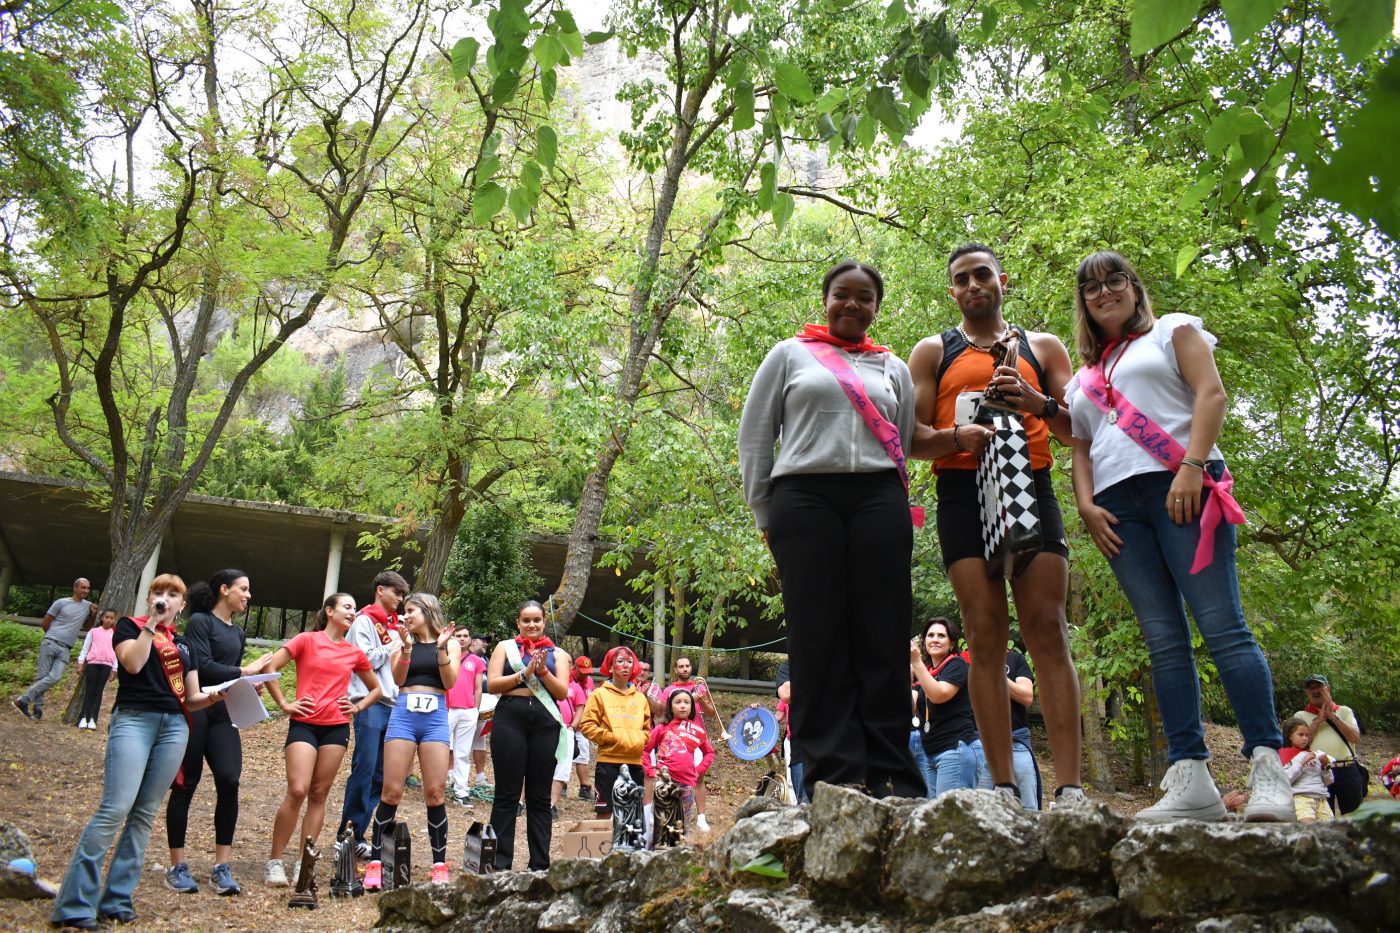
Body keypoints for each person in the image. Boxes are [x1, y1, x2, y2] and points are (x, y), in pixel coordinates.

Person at [1066, 249, 1292, 821]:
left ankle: (1269, 768)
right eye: (1091, 287)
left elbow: (1210, 394)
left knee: (1223, 627)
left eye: (1115, 280)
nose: (1104, 292)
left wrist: (1192, 466)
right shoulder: (1084, 376)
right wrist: (1086, 506)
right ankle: (1192, 780)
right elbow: (1081, 446)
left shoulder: (1172, 331)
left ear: (1134, 286)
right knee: (1163, 640)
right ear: (1083, 303)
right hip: (1117, 507)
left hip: (1182, 485)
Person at [739, 260, 924, 800]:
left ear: (876, 308)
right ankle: (831, 770)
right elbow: (755, 437)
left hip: (879, 499)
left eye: (865, 297)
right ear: (825, 299)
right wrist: (764, 512)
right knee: (817, 635)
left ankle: (891, 771)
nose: (852, 305)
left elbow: (902, 440)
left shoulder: (893, 367)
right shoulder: (788, 355)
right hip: (804, 498)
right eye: (842, 294)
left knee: (883, 633)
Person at [907, 244, 1085, 808]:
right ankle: (1003, 787)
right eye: (961, 279)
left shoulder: (1043, 346)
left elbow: (1079, 429)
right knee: (984, 631)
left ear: (1002, 280)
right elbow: (908, 437)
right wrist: (956, 436)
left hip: (1031, 483)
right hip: (962, 492)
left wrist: (1037, 402)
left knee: (1048, 627)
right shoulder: (933, 351)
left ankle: (1071, 788)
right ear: (952, 291)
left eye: (982, 274)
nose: (973, 285)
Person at [51, 575, 217, 930]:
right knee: (116, 808)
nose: (164, 598)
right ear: (149, 598)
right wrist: (151, 624)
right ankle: (75, 905)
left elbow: (191, 697)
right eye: (158, 592)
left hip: (175, 727)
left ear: (182, 604)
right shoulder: (129, 626)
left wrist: (218, 696)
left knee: (144, 813)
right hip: (134, 720)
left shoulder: (184, 644)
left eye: (172, 594)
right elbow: (132, 664)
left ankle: (117, 899)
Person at [253, 592, 381, 886]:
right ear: (329, 611)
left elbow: (376, 690)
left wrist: (357, 707)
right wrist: (284, 703)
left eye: (354, 608)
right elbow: (269, 668)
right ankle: (275, 861)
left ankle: (304, 863)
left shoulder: (353, 652)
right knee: (298, 790)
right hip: (304, 725)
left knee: (319, 794)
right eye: (347, 607)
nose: (352, 612)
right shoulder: (306, 640)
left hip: (336, 728)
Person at [163, 569, 253, 896]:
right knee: (186, 783)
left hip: (223, 714)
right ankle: (177, 866)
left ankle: (221, 868)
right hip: (196, 709)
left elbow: (229, 678)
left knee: (229, 780)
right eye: (243, 589)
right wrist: (245, 671)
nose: (248, 595)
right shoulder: (201, 621)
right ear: (224, 589)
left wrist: (247, 684)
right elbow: (203, 665)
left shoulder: (238, 633)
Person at [364, 593, 461, 888]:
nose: (405, 616)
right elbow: (398, 678)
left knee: (435, 793)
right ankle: (375, 863)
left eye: (410, 610)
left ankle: (439, 864)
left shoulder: (450, 642)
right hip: (404, 714)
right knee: (391, 791)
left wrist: (441, 649)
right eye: (404, 610)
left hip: (435, 717)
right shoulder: (400, 640)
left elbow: (450, 682)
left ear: (427, 611)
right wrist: (406, 647)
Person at [484, 600, 571, 871]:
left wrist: (542, 671)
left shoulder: (558, 654)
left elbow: (562, 693)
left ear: (544, 622)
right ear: (518, 623)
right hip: (510, 716)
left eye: (536, 620)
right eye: (526, 620)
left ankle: (540, 865)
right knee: (506, 794)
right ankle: (500, 864)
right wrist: (525, 673)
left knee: (539, 796)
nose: (531, 625)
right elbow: (492, 684)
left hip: (545, 720)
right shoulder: (505, 647)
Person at [338, 570, 408, 859]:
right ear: (380, 589)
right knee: (364, 768)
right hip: (369, 703)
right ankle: (347, 834)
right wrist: (394, 643)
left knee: (381, 775)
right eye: (396, 593)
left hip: (395, 705)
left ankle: (359, 834)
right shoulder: (364, 621)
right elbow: (363, 659)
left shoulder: (397, 626)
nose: (400, 599)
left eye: (402, 595)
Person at [646, 656, 729, 832]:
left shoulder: (699, 687)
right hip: (673, 737)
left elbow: (711, 713)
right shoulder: (669, 690)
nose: (685, 669)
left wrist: (700, 699)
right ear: (675, 670)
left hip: (695, 737)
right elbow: (661, 711)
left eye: (687, 666)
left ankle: (701, 818)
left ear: (691, 668)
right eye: (681, 666)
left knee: (698, 779)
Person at [578, 646, 651, 818]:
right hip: (608, 763)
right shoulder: (599, 694)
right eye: (620, 661)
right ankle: (603, 838)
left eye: (629, 662)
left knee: (632, 815)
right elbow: (587, 725)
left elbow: (647, 729)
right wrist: (611, 738)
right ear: (610, 667)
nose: (625, 665)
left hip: (635, 763)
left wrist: (639, 739)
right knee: (605, 812)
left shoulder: (640, 698)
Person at [910, 618, 978, 796]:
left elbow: (939, 695)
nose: (935, 639)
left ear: (951, 643)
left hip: (955, 749)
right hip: (931, 753)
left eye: (941, 636)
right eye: (930, 635)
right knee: (935, 810)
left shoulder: (957, 664)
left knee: (951, 811)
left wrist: (916, 663)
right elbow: (910, 707)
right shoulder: (926, 672)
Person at [14, 577, 95, 720]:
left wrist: (93, 614)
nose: (86, 591)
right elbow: (45, 622)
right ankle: (38, 709)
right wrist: (51, 637)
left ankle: (23, 700)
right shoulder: (61, 602)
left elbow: (87, 627)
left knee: (55, 676)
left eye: (88, 588)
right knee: (42, 676)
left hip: (66, 648)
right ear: (75, 588)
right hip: (51, 643)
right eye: (83, 587)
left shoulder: (88, 606)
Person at [970, 647, 1041, 808]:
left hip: (1015, 744)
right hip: (981, 747)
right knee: (980, 810)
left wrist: (996, 672)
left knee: (1028, 809)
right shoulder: (968, 662)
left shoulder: (1015, 659)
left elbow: (1026, 697)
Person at [642, 689, 715, 832]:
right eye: (678, 702)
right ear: (670, 706)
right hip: (665, 783)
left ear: (692, 707)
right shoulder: (662, 728)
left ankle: (679, 845)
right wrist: (650, 770)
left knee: (682, 826)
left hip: (687, 785)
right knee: (663, 825)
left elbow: (709, 753)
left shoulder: (696, 731)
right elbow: (645, 750)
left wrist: (699, 770)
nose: (683, 706)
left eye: (687, 702)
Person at [1293, 674, 1365, 814]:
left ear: (1328, 689)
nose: (1315, 691)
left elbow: (1355, 737)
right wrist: (1319, 720)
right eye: (1311, 688)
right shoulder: (1300, 715)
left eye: (1319, 687)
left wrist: (1333, 716)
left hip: (1347, 769)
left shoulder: (1344, 711)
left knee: (1354, 817)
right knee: (1323, 816)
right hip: (1317, 772)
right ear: (1306, 692)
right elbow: (1300, 744)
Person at [446, 626, 486, 805]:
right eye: (458, 635)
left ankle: (461, 792)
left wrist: (475, 710)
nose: (462, 638)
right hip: (447, 709)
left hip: (468, 710)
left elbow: (478, 688)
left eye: (465, 636)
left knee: (462, 752)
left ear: (470, 639)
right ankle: (436, 787)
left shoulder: (476, 660)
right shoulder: (444, 656)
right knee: (439, 749)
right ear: (452, 638)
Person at [1279, 717, 1334, 824]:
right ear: (1290, 736)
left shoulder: (1314, 755)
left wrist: (1325, 766)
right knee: (1308, 826)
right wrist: (1302, 763)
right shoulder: (1284, 755)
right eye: (1301, 735)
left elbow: (1329, 781)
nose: (1305, 738)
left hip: (1321, 798)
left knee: (1328, 829)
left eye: (1307, 735)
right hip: (1301, 797)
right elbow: (1285, 780)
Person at [74, 610, 119, 731]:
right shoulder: (93, 632)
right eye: (106, 617)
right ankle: (83, 717)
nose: (108, 620)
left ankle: (93, 719)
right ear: (102, 618)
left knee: (98, 692)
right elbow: (85, 649)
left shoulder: (115, 634)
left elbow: (116, 652)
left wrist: (115, 668)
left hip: (107, 665)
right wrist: (80, 663)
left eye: (111, 618)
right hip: (93, 664)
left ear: (114, 620)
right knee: (89, 691)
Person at [773, 659, 809, 803]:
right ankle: (794, 806)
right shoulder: (787, 671)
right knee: (793, 781)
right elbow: (778, 716)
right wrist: (760, 714)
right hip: (794, 740)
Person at [467, 634, 493, 785]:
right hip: (466, 702)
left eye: (486, 642)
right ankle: (451, 774)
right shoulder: (463, 656)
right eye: (482, 641)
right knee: (457, 739)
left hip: (484, 703)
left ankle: (480, 776)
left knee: (480, 739)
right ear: (473, 642)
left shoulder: (485, 659)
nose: (485, 644)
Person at [570, 656, 596, 801]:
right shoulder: (567, 679)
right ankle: (560, 785)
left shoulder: (590, 682)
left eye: (588, 672)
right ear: (575, 668)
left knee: (583, 756)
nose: (585, 675)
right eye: (582, 671)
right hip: (567, 724)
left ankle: (584, 788)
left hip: (582, 727)